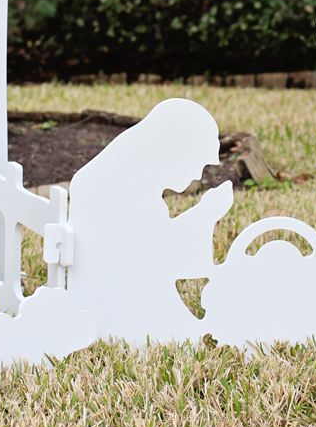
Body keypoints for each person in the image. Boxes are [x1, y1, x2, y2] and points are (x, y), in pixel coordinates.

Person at [65, 98, 233, 345]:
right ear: (174, 149)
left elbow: (153, 246)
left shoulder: (126, 174)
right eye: (198, 162)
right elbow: (157, 258)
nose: (198, 174)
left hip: (122, 291)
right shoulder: (124, 187)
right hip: (118, 306)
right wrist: (206, 213)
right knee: (186, 339)